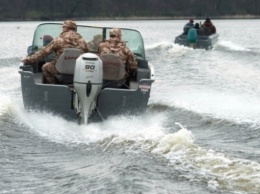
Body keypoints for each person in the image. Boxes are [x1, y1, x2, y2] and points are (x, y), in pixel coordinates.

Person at [22, 20, 89, 84]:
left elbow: (43, 53)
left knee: (45, 67)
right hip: (78, 69)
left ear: (66, 28)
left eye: (63, 27)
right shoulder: (83, 42)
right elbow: (87, 56)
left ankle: (52, 86)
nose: (62, 29)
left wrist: (28, 59)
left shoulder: (59, 40)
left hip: (59, 68)